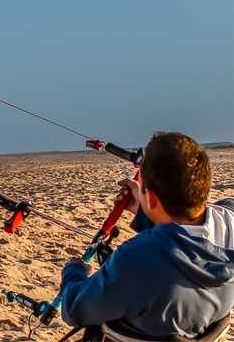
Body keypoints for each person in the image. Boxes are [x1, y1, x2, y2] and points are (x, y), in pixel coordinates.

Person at [60, 131, 234, 340]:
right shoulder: (230, 217)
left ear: (151, 197)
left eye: (142, 188)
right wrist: (145, 213)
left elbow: (76, 309)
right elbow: (192, 242)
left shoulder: (138, 258)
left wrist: (74, 271)